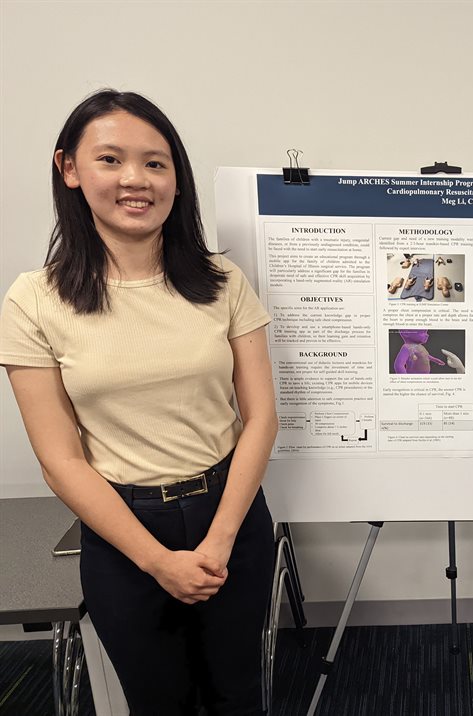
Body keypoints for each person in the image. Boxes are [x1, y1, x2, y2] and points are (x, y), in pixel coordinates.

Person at [0, 90, 278, 715]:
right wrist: (158, 562)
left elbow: (260, 419)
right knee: (157, 702)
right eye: (110, 159)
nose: (135, 179)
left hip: (228, 512)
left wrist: (219, 542)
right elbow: (61, 460)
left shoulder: (221, 280)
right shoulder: (33, 300)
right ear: (69, 169)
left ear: (176, 179)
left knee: (239, 695)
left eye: (156, 162)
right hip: (123, 531)